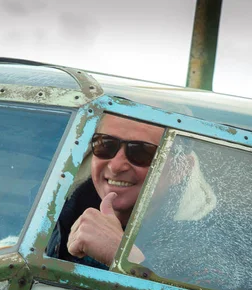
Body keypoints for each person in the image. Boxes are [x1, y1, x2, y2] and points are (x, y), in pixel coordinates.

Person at [46, 113, 164, 269]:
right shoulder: (55, 209)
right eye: (106, 145)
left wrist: (123, 255)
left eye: (141, 152)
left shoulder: (201, 243)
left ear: (182, 169)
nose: (115, 166)